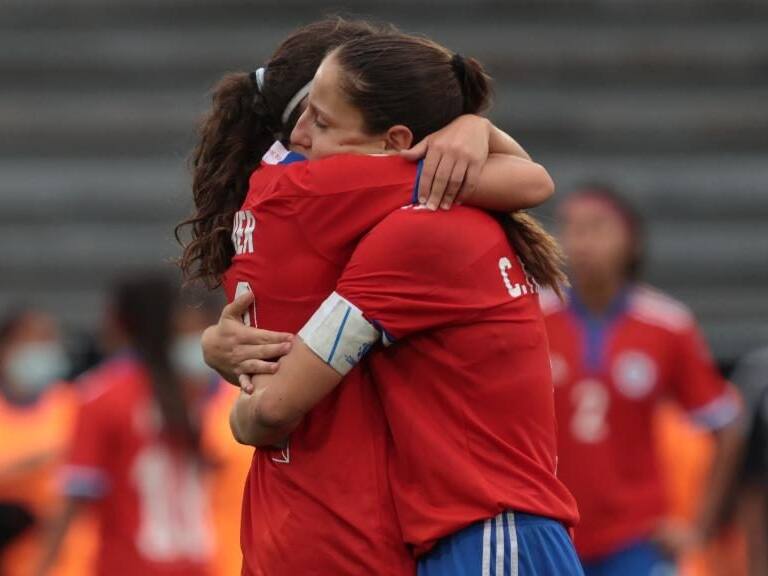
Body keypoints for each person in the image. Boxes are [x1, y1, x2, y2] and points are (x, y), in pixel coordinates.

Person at [180, 19, 558, 576]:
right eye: (310, 118)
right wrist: (474, 129)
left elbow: (275, 393)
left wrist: (233, 380)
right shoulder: (363, 201)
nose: (305, 135)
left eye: (324, 121)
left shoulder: (277, 193)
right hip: (357, 534)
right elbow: (533, 182)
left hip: (288, 526)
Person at [543, 184, 742, 575]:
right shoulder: (533, 318)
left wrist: (697, 529)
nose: (583, 241)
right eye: (573, 228)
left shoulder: (667, 325)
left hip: (635, 536)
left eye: (598, 227)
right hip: (552, 527)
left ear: (631, 241)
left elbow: (727, 425)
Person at [35, 273, 212, 576]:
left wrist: (42, 567)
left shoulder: (101, 393)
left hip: (131, 564)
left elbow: (76, 494)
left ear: (117, 320)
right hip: (196, 564)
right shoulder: (193, 391)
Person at [0, 309, 93, 576]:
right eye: (36, 339)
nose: (45, 348)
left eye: (51, 339)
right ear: (7, 348)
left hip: (77, 561)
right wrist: (38, 460)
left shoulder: (77, 404)